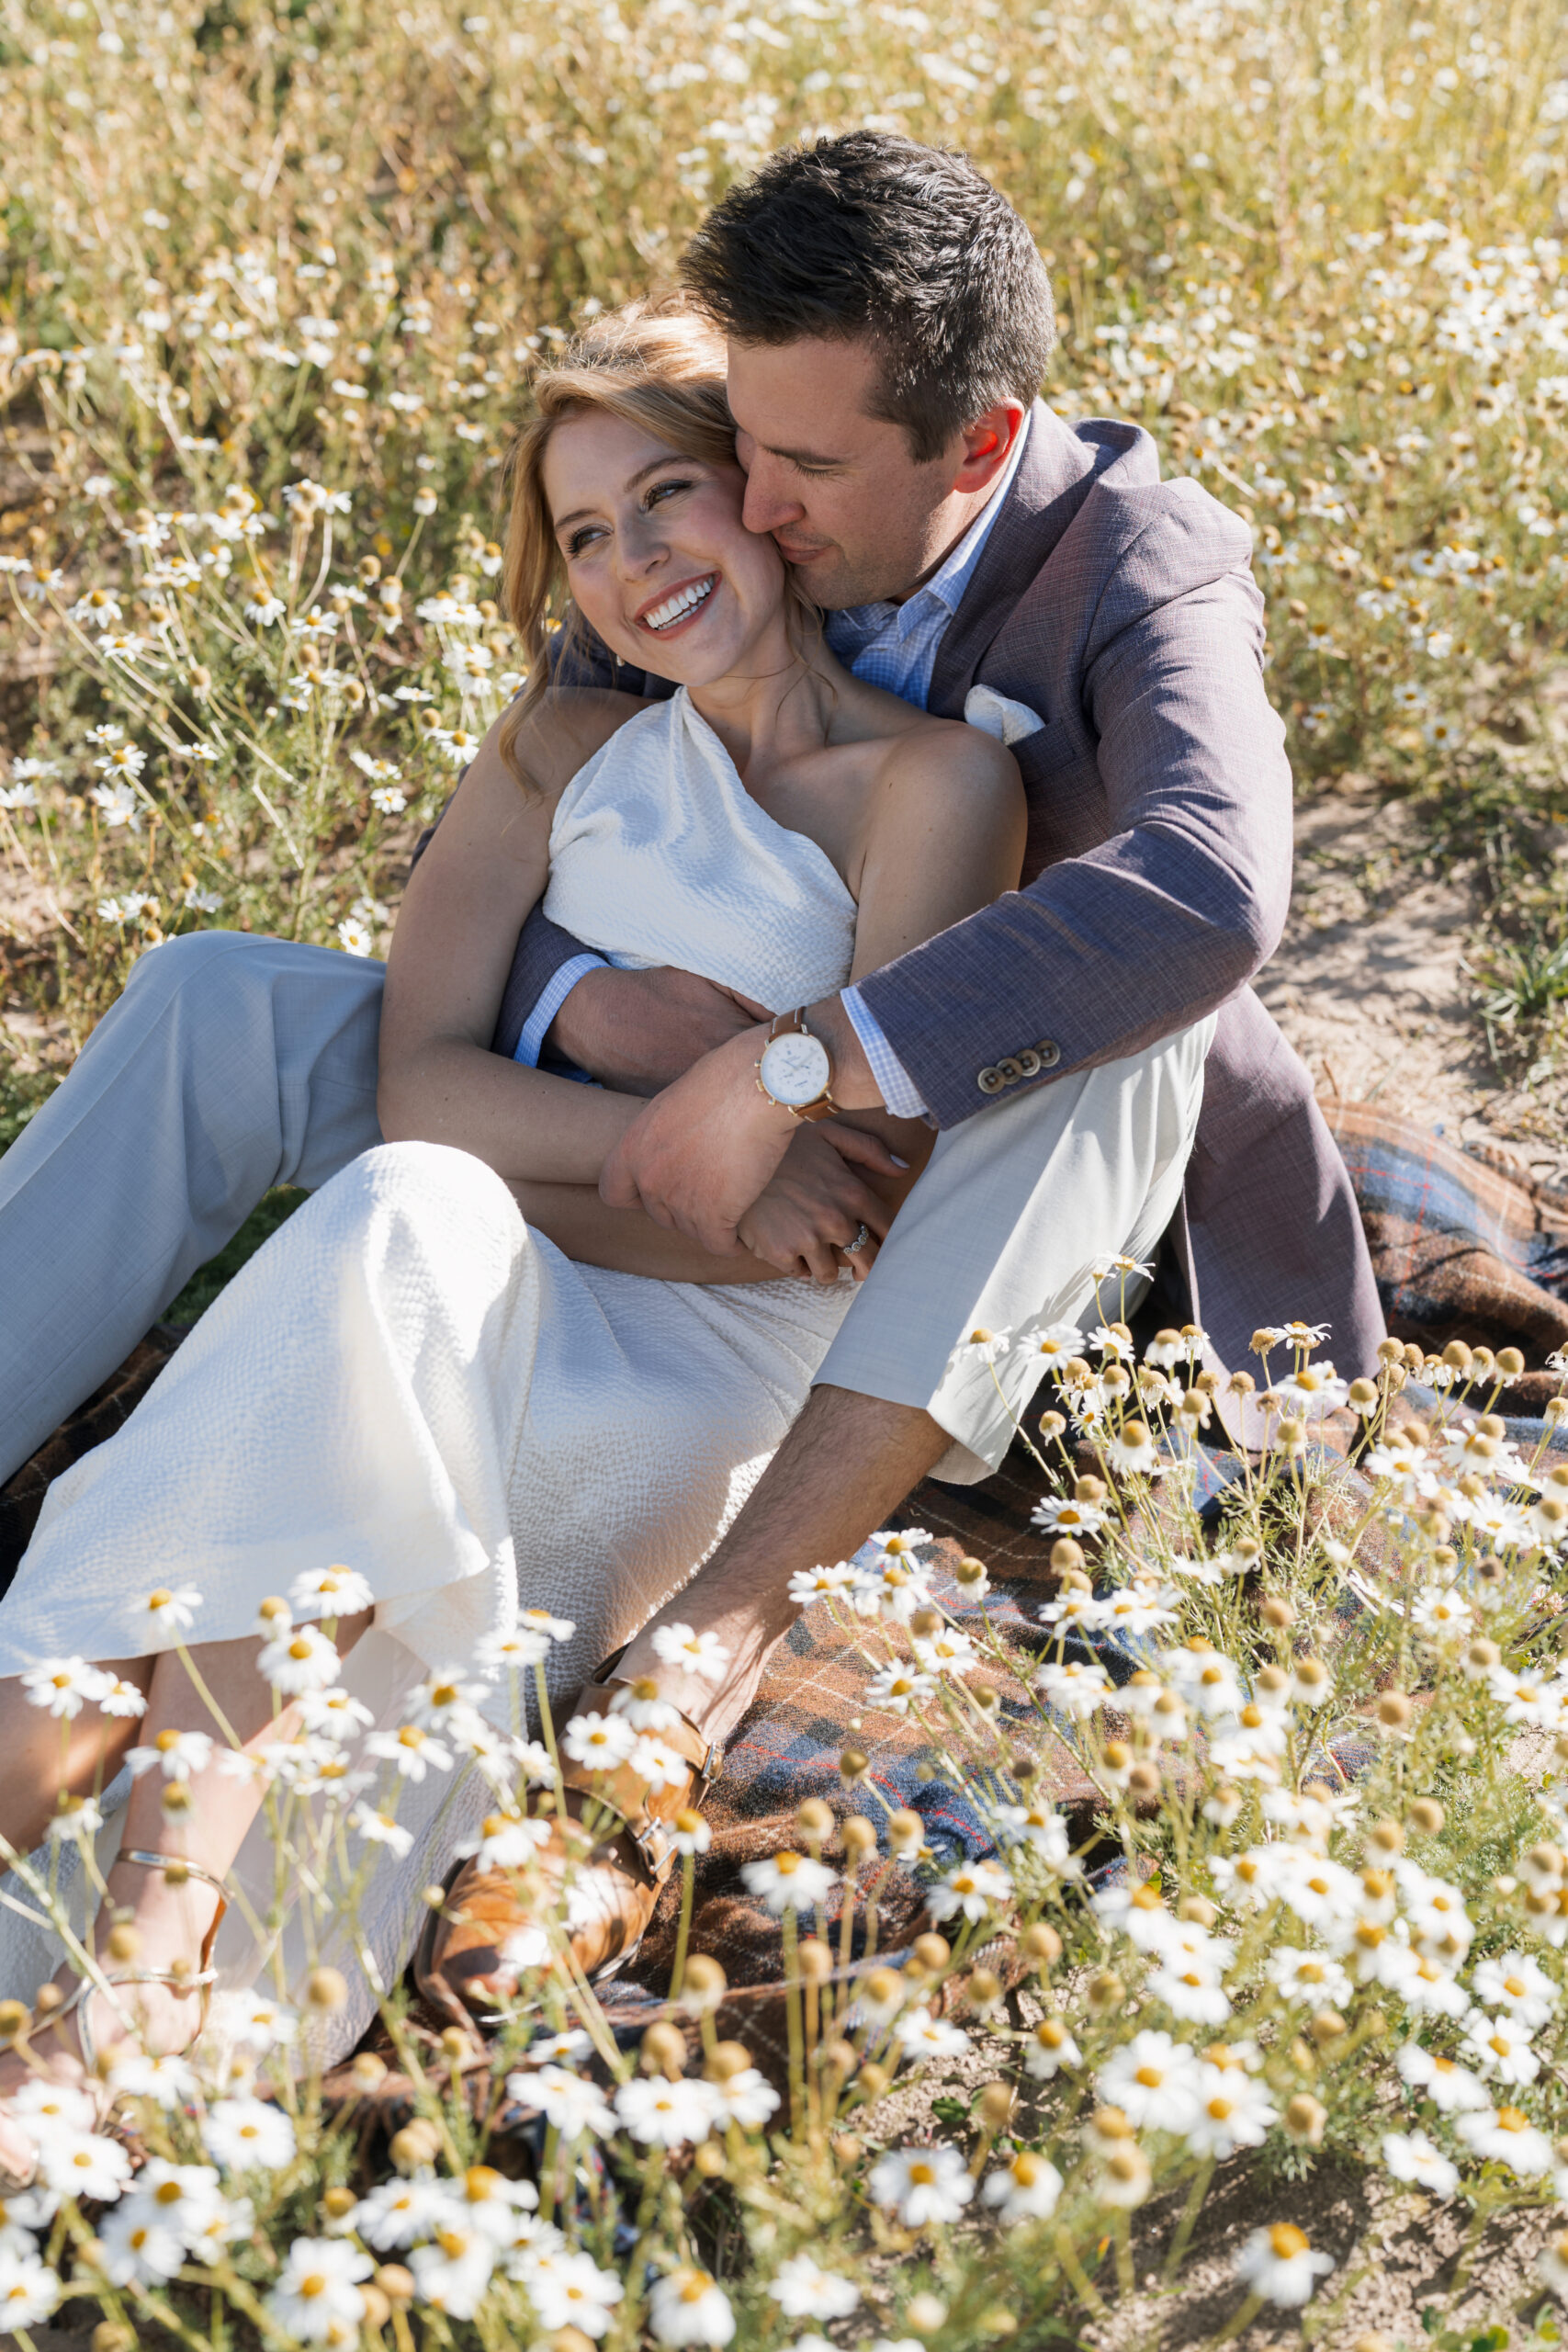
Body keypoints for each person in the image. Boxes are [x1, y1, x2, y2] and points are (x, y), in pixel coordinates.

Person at [0, 131, 1383, 2014]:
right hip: (625, 1141)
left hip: (987, 1156)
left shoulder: (1128, 567)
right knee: (217, 997)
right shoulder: (710, 511)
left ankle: (712, 1632)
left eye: (785, 469)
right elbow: (562, 821)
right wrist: (587, 1009)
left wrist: (796, 1066)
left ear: (969, 447)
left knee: (1111, 1031)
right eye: (730, 440)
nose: (741, 497)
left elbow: (1206, 891)